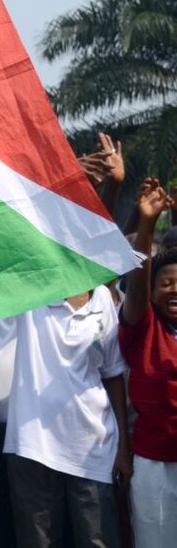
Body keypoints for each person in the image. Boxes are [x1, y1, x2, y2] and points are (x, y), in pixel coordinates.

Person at [3, 287, 129, 547]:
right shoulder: (29, 290)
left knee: (98, 540)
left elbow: (113, 374)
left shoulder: (102, 296)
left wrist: (123, 448)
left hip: (94, 448)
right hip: (34, 447)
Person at [118, 179, 177, 548]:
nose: (175, 290)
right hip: (155, 465)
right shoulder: (144, 327)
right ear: (154, 293)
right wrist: (147, 226)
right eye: (166, 283)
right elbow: (136, 285)